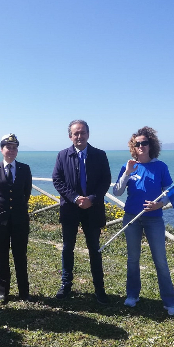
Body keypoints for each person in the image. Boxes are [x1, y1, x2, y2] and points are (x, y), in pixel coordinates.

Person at [112, 126, 174, 316]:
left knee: (161, 261)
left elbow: (170, 191)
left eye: (144, 143)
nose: (141, 146)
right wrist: (127, 172)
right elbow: (116, 192)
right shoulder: (128, 167)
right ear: (133, 146)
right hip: (131, 219)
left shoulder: (160, 167)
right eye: (137, 143)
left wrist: (160, 204)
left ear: (151, 145)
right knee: (133, 259)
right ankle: (132, 295)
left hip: (154, 220)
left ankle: (169, 302)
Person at [52, 120, 111, 304]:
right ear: (70, 136)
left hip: (93, 210)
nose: (79, 136)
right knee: (68, 248)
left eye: (82, 132)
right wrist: (76, 198)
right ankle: (66, 285)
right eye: (76, 133)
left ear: (88, 134)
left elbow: (105, 180)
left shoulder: (100, 155)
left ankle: (99, 289)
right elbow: (57, 180)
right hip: (70, 209)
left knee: (94, 249)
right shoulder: (63, 155)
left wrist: (91, 199)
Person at [0, 134, 33, 304]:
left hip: (20, 218)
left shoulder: (24, 169)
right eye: (8, 147)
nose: (11, 150)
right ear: (2, 149)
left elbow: (26, 193)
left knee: (20, 255)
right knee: (1, 255)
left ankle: (24, 291)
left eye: (14, 148)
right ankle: (3, 291)